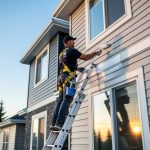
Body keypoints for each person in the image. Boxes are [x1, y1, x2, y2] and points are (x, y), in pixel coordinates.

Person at [50, 35, 102, 130]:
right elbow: (85, 57)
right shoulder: (71, 50)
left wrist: (77, 68)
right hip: (68, 79)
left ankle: (54, 123)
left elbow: (67, 64)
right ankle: (59, 123)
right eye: (72, 41)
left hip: (61, 79)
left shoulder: (62, 53)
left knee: (60, 100)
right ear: (68, 42)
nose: (74, 43)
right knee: (67, 99)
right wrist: (96, 53)